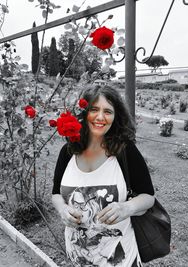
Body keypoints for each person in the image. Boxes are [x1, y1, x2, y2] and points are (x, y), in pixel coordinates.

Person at [52, 85, 155, 267]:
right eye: (94, 109)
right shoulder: (68, 152)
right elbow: (56, 194)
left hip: (120, 259)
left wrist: (127, 208)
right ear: (83, 113)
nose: (100, 117)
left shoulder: (125, 151)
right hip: (77, 258)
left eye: (108, 111)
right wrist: (62, 209)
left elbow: (148, 197)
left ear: (116, 117)